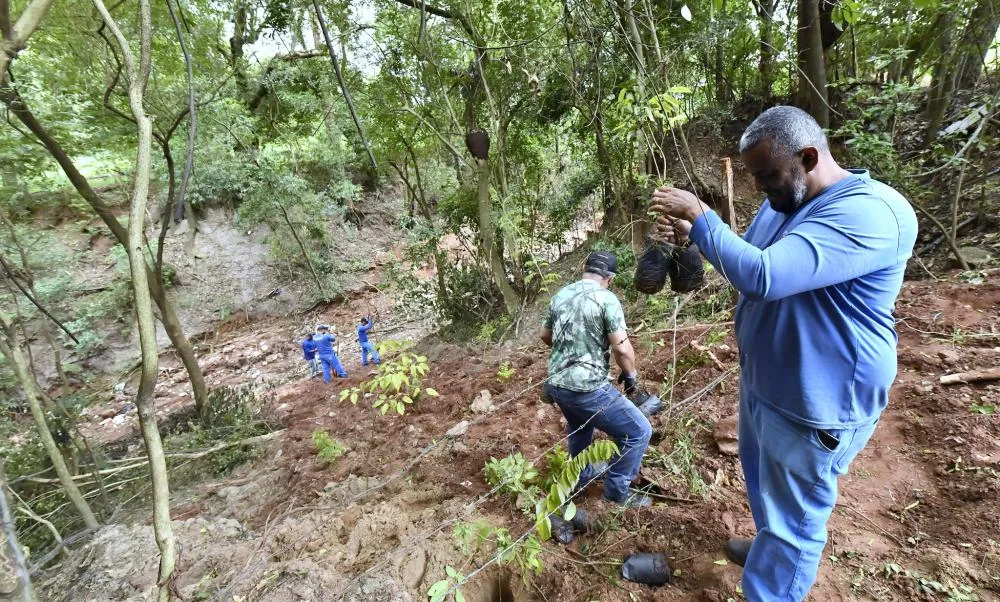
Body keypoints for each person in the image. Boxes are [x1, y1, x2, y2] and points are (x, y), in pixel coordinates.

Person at [650, 106, 918, 601]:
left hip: (818, 401)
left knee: (796, 519)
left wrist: (702, 217)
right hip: (769, 385)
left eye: (767, 175)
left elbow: (764, 276)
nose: (759, 189)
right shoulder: (784, 202)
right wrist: (695, 238)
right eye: (754, 176)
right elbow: (748, 260)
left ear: (809, 157)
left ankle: (775, 581)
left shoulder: (871, 212)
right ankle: (770, 546)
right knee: (766, 486)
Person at [540, 251, 653, 508]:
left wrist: (570, 351)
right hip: (587, 388)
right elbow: (622, 348)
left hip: (557, 384)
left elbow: (545, 335)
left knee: (580, 427)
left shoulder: (561, 294)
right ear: (609, 278)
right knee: (639, 432)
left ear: (585, 269)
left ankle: (581, 476)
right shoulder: (606, 299)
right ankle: (616, 493)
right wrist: (631, 376)